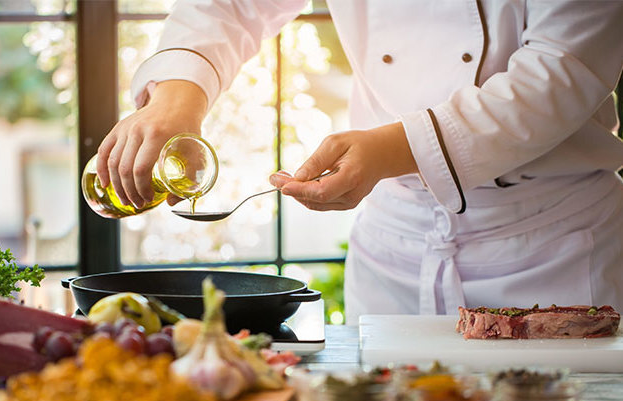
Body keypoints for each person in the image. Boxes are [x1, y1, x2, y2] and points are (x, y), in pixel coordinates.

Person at [95, 1, 623, 325]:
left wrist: (393, 150)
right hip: (393, 250)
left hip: (551, 254)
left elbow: (561, 71)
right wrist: (176, 96)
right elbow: (232, 3)